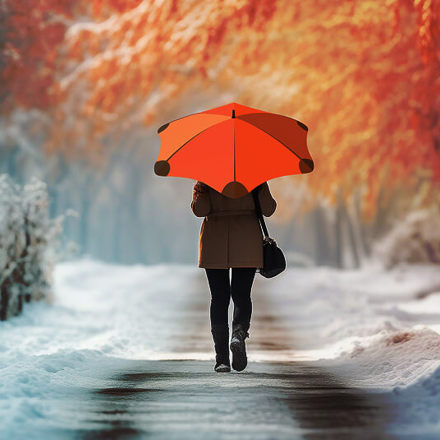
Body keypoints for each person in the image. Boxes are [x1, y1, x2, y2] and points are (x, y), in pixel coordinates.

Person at [191, 180, 277, 373]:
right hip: (246, 239)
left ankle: (221, 359)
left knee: (219, 298)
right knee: (242, 294)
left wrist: (202, 188)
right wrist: (260, 185)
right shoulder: (254, 175)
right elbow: (269, 209)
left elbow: (199, 210)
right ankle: (238, 333)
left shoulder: (207, 176)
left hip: (214, 240)